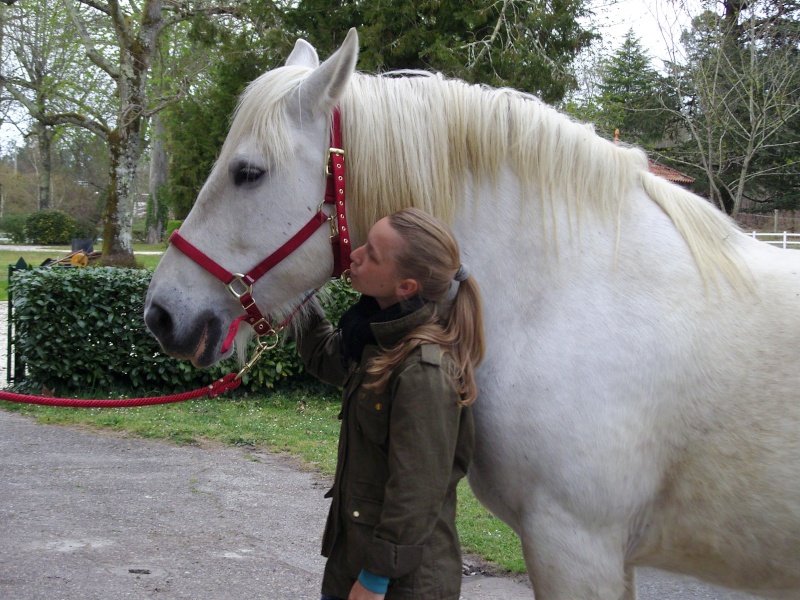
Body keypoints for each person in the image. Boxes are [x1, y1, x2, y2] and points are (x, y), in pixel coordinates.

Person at [294, 207, 485, 600]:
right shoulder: (376, 338)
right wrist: (298, 289)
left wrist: (376, 579)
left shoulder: (424, 371)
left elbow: (417, 492)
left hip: (401, 585)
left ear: (406, 287)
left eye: (373, 254)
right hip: (355, 565)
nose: (356, 254)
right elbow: (323, 356)